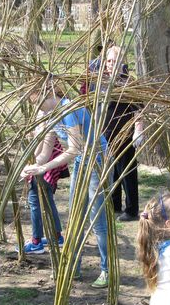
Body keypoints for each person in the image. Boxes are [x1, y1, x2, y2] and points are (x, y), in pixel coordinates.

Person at [20, 81, 111, 289]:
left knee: (96, 218)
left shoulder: (70, 109)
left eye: (36, 102)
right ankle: (73, 266)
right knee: (75, 215)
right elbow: (44, 153)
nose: (36, 107)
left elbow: (74, 148)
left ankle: (107, 269)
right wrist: (32, 166)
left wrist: (44, 168)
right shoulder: (51, 115)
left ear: (46, 94)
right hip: (81, 162)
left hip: (98, 161)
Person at [102, 45, 142, 221]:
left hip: (124, 134)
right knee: (113, 171)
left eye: (115, 61)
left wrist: (138, 130)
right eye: (109, 61)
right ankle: (115, 205)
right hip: (106, 134)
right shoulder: (103, 81)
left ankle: (132, 210)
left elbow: (139, 109)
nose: (111, 64)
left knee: (127, 172)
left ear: (122, 62)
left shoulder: (129, 83)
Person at [21, 118, 67, 255]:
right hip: (43, 164)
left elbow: (44, 153)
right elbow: (38, 145)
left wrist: (29, 167)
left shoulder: (49, 119)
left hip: (45, 166)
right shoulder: (43, 115)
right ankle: (56, 236)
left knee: (35, 201)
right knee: (48, 201)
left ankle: (36, 242)